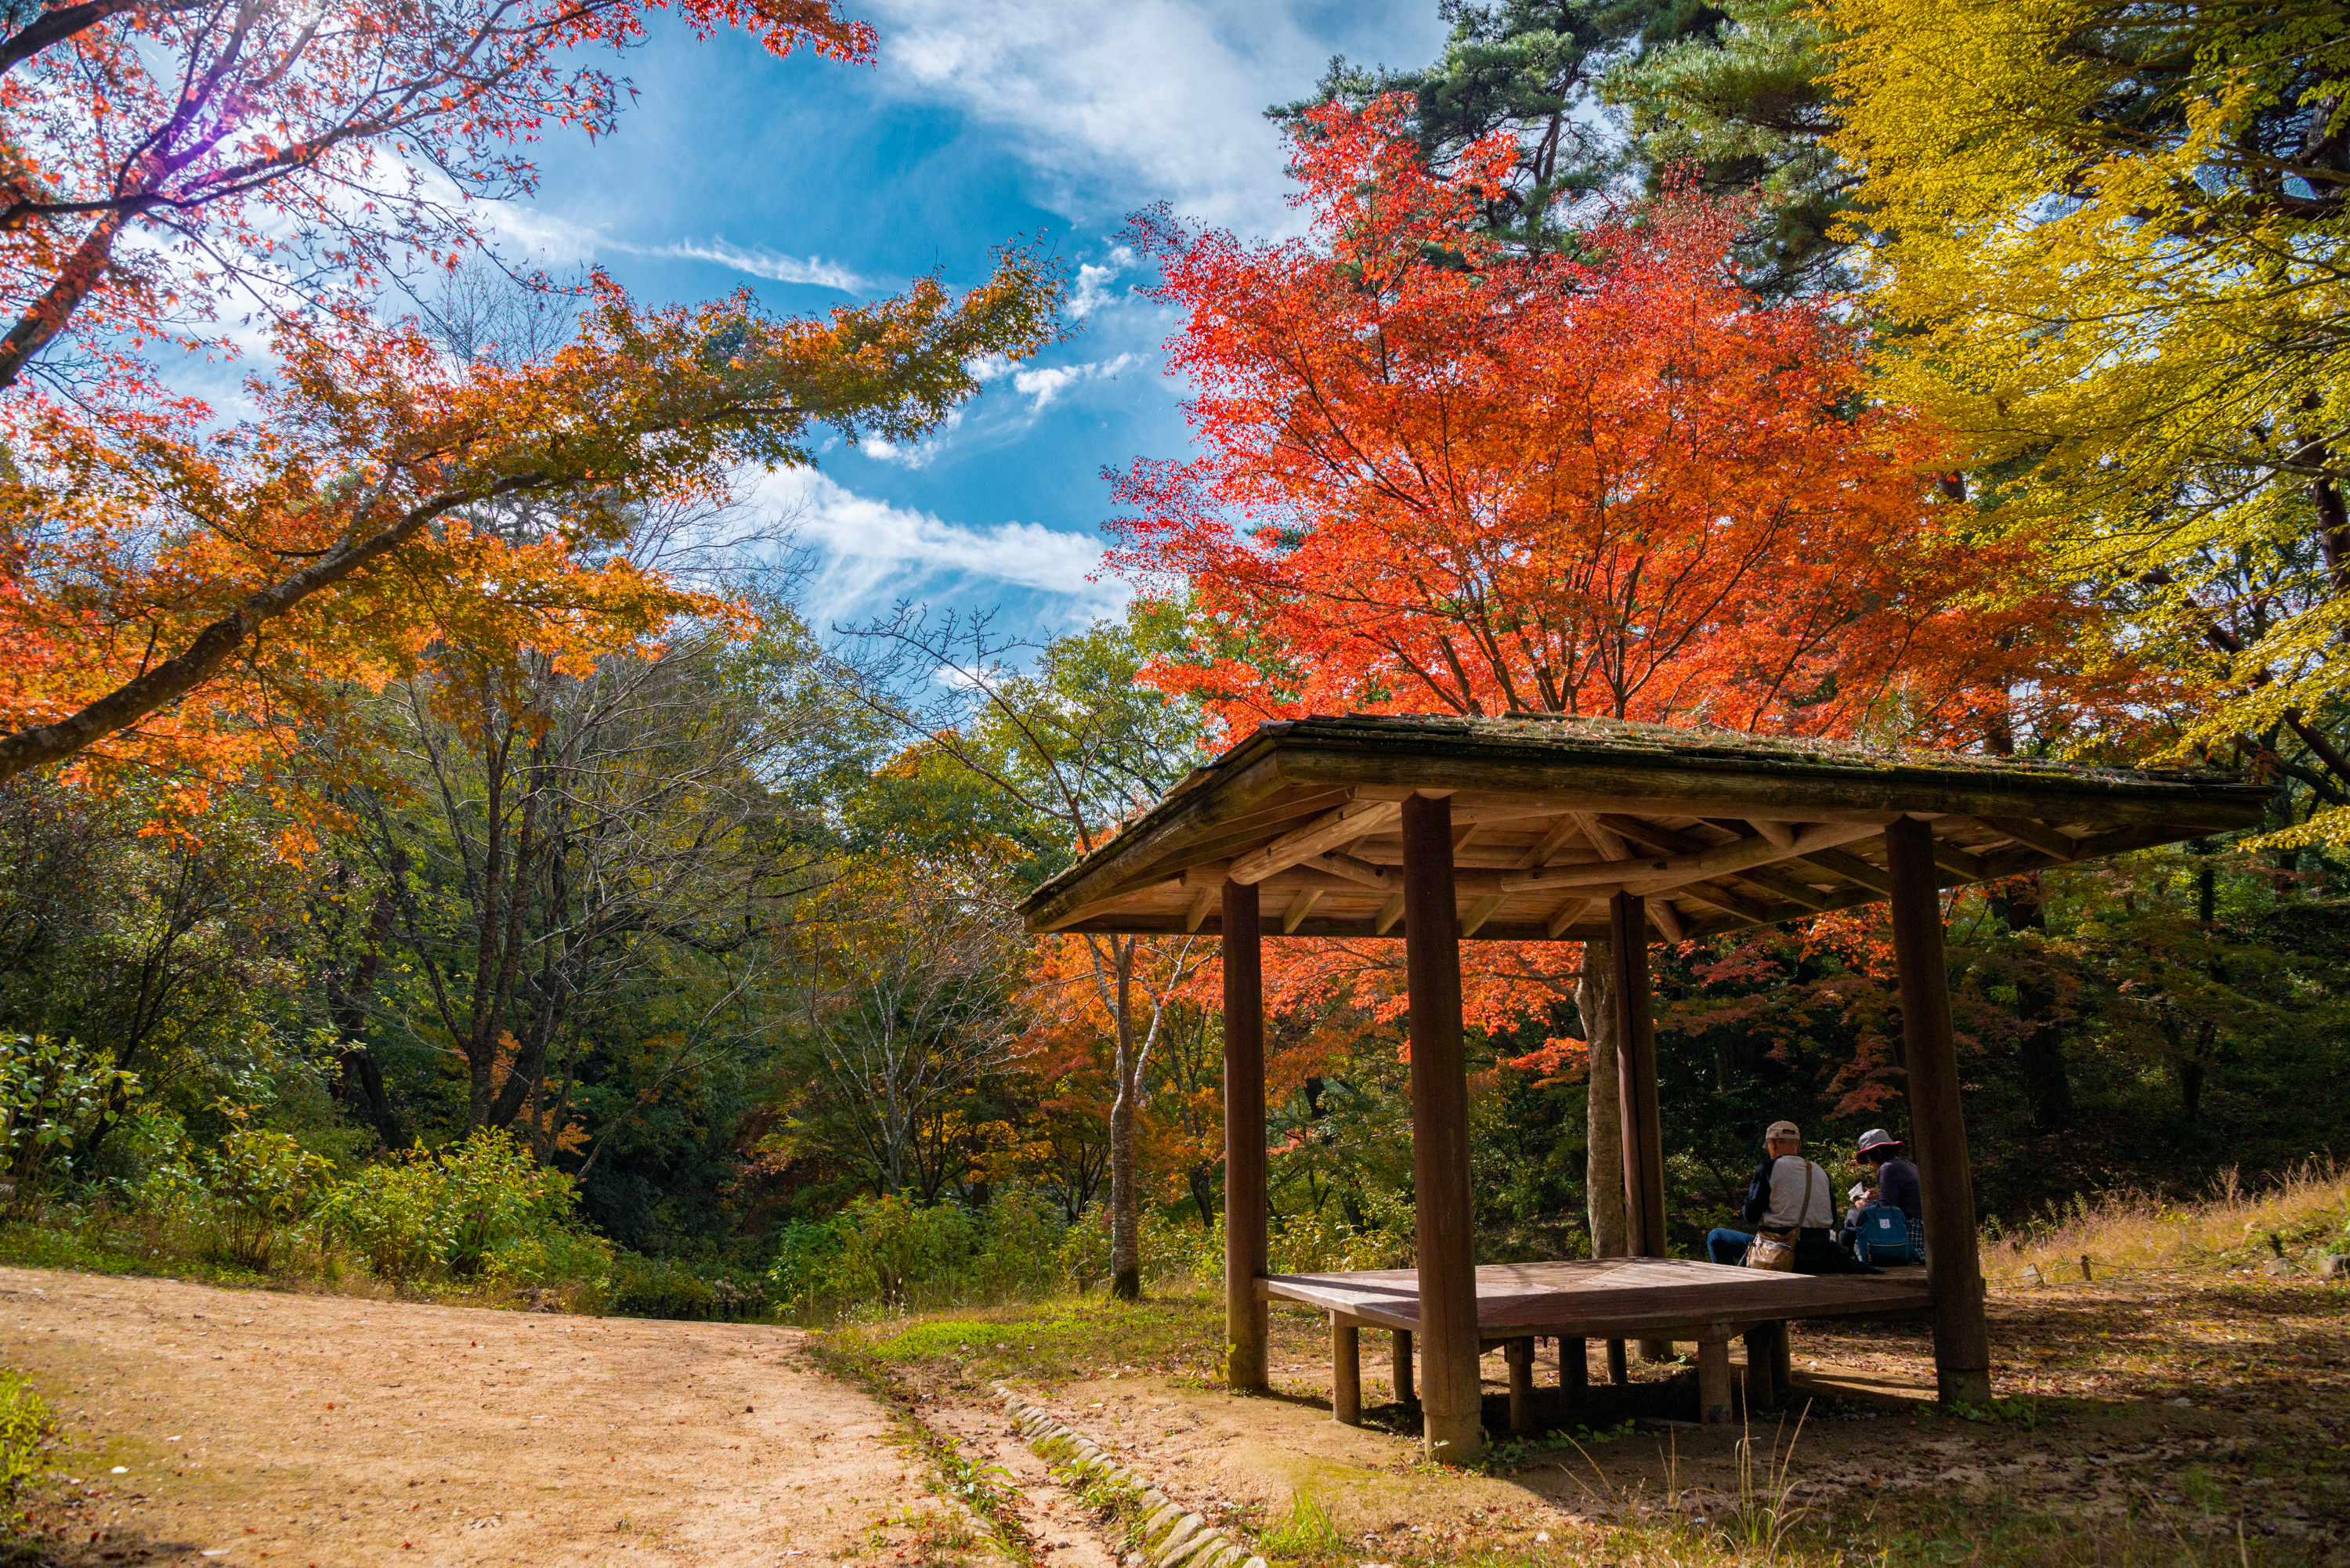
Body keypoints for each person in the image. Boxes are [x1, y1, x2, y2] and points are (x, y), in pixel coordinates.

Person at [1706, 1120, 1871, 1274]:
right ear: (1799, 1146)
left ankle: (1730, 1285)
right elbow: (1832, 1218)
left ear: (1772, 1144)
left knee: (1716, 1237)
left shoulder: (1768, 1168)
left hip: (1782, 1250)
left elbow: (1751, 1216)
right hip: (1819, 1254)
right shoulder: (1820, 1171)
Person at [1841, 1128, 1923, 1260]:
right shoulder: (1910, 1166)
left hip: (1906, 1230)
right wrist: (1879, 1196)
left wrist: (1863, 1204)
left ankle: (1850, 1260)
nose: (1869, 1164)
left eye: (1868, 1158)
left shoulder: (1888, 1168)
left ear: (1877, 1152)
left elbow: (1885, 1211)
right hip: (1920, 1228)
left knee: (1852, 1215)